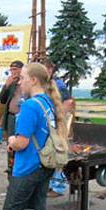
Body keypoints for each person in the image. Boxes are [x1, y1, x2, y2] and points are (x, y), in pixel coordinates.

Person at [1, 62, 69, 210]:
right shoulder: (47, 102)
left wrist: (11, 141)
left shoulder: (30, 105)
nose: (19, 82)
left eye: (22, 78)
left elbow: (22, 142)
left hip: (27, 168)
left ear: (33, 80)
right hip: (44, 166)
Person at [43, 59, 74, 197]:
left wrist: (57, 116)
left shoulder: (59, 84)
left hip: (56, 123)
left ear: (51, 69)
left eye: (47, 68)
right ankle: (48, 185)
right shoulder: (42, 85)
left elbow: (68, 102)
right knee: (48, 154)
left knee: (58, 153)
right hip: (47, 124)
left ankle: (58, 187)